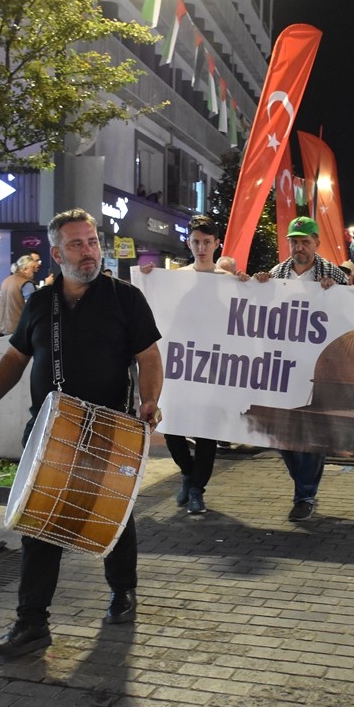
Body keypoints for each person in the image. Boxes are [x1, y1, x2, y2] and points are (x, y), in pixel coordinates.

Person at [0, 208, 163, 657]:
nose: (88, 252)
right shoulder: (41, 302)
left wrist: (150, 401)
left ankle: (123, 590)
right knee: (40, 524)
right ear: (57, 252)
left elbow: (149, 357)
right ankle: (32, 622)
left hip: (109, 429)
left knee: (113, 514)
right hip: (49, 433)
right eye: (77, 244)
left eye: (92, 241)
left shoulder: (125, 298)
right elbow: (17, 356)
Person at [252, 216, 349, 520]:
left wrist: (338, 293)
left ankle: (305, 494)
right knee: (282, 432)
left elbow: (353, 314)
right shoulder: (276, 273)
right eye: (294, 241)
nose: (299, 247)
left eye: (305, 241)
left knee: (312, 434)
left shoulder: (333, 274)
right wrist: (252, 284)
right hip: (282, 367)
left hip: (318, 370)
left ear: (317, 243)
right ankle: (303, 485)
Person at [141, 215, 229, 514]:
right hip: (181, 367)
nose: (201, 248)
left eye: (206, 242)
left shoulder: (228, 281)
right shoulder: (175, 279)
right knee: (173, 428)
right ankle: (190, 477)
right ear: (188, 243)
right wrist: (149, 279)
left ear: (217, 243)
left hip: (214, 369)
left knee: (207, 433)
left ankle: (195, 489)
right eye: (196, 242)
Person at [0, 255, 37, 336]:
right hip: (18, 330)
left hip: (3, 327)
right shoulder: (26, 284)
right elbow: (33, 307)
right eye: (32, 268)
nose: (34, 271)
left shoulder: (6, 281)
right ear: (25, 269)